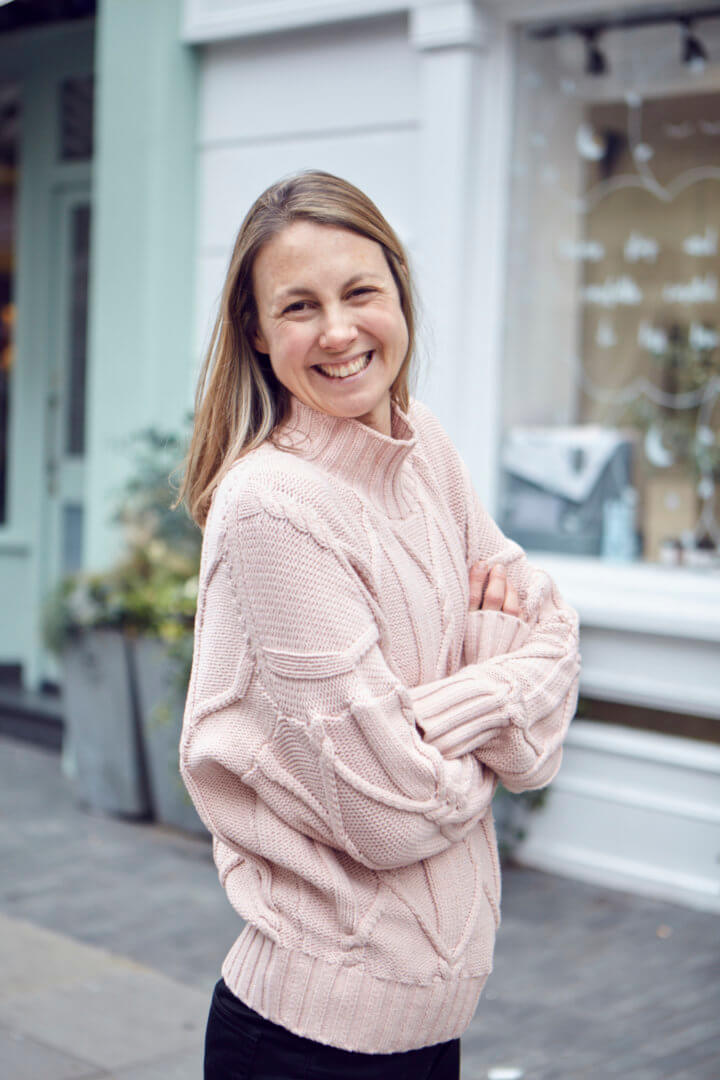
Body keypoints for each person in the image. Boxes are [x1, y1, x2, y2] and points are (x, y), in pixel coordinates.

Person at [178, 170, 580, 1079]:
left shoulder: (420, 445)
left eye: (361, 291)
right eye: (299, 305)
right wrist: (495, 671)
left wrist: (450, 705)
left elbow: (555, 637)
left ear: (399, 290)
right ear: (257, 331)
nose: (339, 331)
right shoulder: (272, 506)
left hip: (426, 1031)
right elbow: (387, 811)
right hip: (311, 1042)